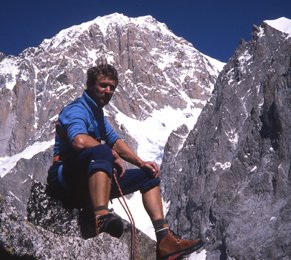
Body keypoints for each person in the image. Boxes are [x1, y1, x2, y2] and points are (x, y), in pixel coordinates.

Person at [47, 64, 203, 259]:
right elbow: (78, 141)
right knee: (102, 151)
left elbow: (115, 141)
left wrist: (141, 163)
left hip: (85, 181)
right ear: (89, 85)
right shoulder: (77, 109)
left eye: (112, 87)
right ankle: (101, 217)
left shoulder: (97, 115)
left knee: (149, 176)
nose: (108, 91)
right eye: (103, 85)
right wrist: (110, 154)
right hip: (64, 179)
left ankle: (165, 240)